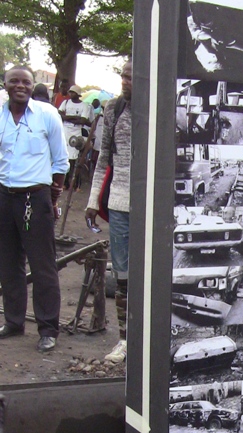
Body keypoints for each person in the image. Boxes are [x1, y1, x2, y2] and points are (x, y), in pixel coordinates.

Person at [0, 65, 69, 352]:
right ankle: (14, 322)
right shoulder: (1, 115)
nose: (20, 86)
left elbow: (61, 160)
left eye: (25, 82)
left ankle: (48, 328)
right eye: (13, 81)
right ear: (5, 85)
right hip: (4, 196)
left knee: (43, 266)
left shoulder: (47, 114)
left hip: (36, 198)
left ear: (33, 85)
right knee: (8, 264)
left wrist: (53, 198)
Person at [85, 60, 132, 363]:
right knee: (124, 275)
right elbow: (103, 158)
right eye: (124, 75)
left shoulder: (162, 107)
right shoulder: (113, 110)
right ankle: (126, 339)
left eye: (132, 76)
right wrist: (91, 200)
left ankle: (149, 339)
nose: (126, 81)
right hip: (119, 205)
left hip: (153, 208)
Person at [59, 84, 94, 188]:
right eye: (70, 92)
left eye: (72, 92)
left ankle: (73, 183)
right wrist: (75, 118)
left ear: (77, 94)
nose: (70, 94)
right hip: (65, 132)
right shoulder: (65, 102)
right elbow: (59, 114)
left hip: (76, 134)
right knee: (63, 156)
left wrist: (67, 117)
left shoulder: (84, 106)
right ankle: (64, 182)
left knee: (73, 159)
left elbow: (83, 120)